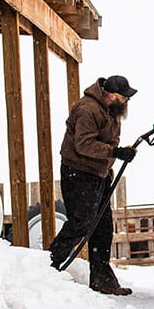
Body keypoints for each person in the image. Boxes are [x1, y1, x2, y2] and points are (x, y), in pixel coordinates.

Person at [49, 75, 138, 295]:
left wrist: (116, 155)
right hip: (78, 173)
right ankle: (49, 267)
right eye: (123, 98)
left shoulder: (110, 112)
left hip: (99, 173)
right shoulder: (87, 109)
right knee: (81, 222)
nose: (126, 102)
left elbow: (108, 142)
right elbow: (84, 144)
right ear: (111, 96)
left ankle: (102, 279)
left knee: (103, 226)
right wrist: (114, 153)